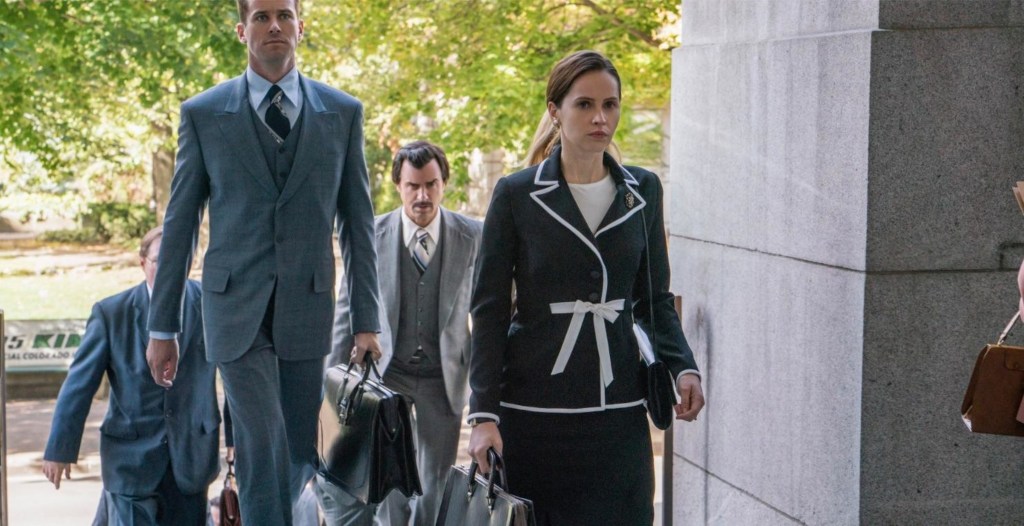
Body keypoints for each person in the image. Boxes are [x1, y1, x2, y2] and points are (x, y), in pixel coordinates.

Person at [145, 1, 382, 524]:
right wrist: (163, 325)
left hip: (308, 309)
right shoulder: (203, 114)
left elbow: (358, 225)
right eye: (260, 17)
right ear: (241, 30)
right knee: (261, 439)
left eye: (283, 15)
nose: (273, 25)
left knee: (297, 451)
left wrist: (367, 320)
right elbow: (180, 224)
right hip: (234, 312)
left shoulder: (342, 113)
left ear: (301, 26)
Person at [466, 50, 706, 525]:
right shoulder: (516, 194)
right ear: (555, 111)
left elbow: (652, 298)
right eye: (584, 105)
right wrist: (483, 415)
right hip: (533, 412)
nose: (600, 118)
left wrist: (683, 366)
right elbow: (489, 310)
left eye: (611, 105)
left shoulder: (644, 191)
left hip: (616, 411)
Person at [314, 141, 482, 525]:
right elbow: (347, 311)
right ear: (398, 186)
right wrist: (330, 387)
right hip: (388, 376)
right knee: (390, 481)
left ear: (444, 183)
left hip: (445, 376)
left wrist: (487, 390)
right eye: (412, 186)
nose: (422, 196)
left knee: (436, 482)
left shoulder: (473, 235)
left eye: (431, 185)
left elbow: (486, 317)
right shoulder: (371, 235)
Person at [43, 226, 220, 525]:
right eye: (160, 262)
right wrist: (59, 449)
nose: (170, 271)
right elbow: (79, 385)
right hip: (130, 459)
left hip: (191, 458)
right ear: (142, 263)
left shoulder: (210, 306)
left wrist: (238, 441)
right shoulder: (112, 313)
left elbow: (234, 373)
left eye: (179, 260)